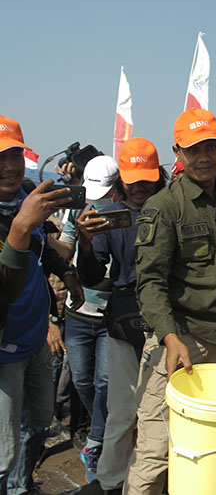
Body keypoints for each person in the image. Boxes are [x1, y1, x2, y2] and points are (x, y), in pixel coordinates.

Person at [124, 108, 216, 495]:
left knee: (212, 453)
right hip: (179, 343)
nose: (204, 158)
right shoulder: (163, 207)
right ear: (178, 152)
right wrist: (168, 337)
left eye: (211, 147)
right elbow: (149, 283)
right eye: (194, 150)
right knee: (155, 452)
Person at [74, 138, 166, 495]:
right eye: (133, 179)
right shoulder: (108, 218)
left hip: (166, 322)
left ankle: (154, 477)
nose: (140, 186)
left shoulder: (170, 209)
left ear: (158, 175)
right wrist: (84, 242)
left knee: (159, 411)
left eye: (147, 178)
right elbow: (93, 276)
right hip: (124, 319)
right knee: (122, 411)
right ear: (121, 179)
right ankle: (111, 480)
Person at [0, 115, 84, 495]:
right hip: (5, 346)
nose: (10, 166)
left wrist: (65, 270)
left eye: (15, 154)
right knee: (3, 448)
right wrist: (19, 226)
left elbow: (41, 248)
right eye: (1, 158)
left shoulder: (28, 196)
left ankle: (22, 483)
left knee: (37, 423)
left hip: (35, 337)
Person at [58, 154, 120, 484]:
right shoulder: (75, 211)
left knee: (105, 381)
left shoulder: (124, 213)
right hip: (78, 313)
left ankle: (96, 442)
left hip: (110, 315)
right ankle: (101, 430)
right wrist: (37, 231)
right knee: (82, 379)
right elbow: (64, 252)